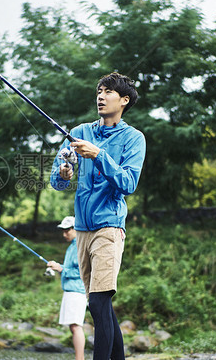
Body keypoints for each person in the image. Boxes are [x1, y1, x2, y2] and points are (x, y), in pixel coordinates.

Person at [50, 72, 146, 360]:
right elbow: (57, 180)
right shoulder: (80, 131)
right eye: (99, 91)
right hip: (82, 229)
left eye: (108, 92)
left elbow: (128, 183)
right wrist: (65, 173)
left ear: (124, 100)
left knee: (100, 301)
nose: (101, 96)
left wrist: (99, 155)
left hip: (109, 227)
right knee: (98, 304)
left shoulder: (134, 138)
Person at [47, 216, 87, 360]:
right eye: (63, 231)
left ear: (76, 229)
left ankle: (79, 359)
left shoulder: (79, 246)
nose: (64, 234)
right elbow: (70, 268)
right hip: (71, 291)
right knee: (73, 326)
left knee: (76, 326)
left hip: (77, 291)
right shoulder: (72, 246)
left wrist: (61, 269)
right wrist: (59, 266)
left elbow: (82, 272)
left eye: (67, 230)